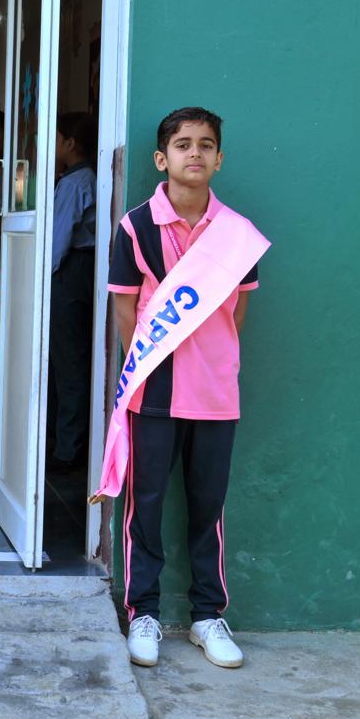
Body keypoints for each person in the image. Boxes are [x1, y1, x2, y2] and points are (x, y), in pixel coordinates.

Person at [104, 107, 262, 670]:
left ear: (219, 158)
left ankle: (207, 616)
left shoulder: (236, 233)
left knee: (207, 507)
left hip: (216, 394)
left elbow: (237, 311)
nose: (194, 152)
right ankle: (142, 613)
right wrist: (151, 365)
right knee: (144, 506)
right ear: (161, 158)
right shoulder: (136, 227)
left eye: (206, 145)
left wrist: (210, 359)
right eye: (183, 144)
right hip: (155, 390)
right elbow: (126, 310)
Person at [47, 112, 98, 472]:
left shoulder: (74, 183)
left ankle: (68, 449)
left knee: (68, 361)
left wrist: (40, 279)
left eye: (56, 138)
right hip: (81, 268)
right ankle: (67, 441)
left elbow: (58, 240)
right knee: (72, 357)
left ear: (70, 143)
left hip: (71, 269)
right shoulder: (86, 177)